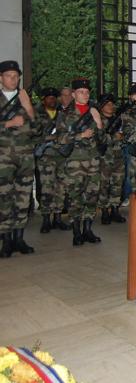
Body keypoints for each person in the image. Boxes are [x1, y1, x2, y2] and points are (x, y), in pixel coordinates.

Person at [55, 78, 104, 246]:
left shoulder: (94, 112)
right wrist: (80, 136)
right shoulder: (65, 114)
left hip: (93, 161)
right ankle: (76, 231)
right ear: (74, 94)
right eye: (81, 92)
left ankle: (88, 229)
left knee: (92, 196)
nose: (85, 94)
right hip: (75, 162)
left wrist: (98, 122)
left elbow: (103, 139)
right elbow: (59, 138)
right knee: (75, 198)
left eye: (87, 92)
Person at [0, 60, 40, 257]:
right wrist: (8, 123)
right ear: (1, 78)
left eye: (16, 76)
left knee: (23, 199)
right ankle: (5, 240)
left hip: (25, 159)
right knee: (4, 199)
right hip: (3, 160)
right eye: (9, 75)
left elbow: (37, 129)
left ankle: (19, 238)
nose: (13, 79)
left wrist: (28, 107)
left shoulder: (25, 98)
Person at [35, 87, 71, 233]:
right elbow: (34, 134)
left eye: (53, 97)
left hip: (61, 156)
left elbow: (68, 132)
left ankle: (57, 218)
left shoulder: (62, 113)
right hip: (46, 157)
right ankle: (45, 219)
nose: (51, 99)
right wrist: (50, 138)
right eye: (48, 97)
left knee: (61, 188)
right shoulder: (37, 114)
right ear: (44, 99)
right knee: (46, 189)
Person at [97, 94, 126, 225]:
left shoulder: (118, 120)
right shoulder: (98, 120)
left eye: (112, 104)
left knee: (117, 184)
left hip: (118, 157)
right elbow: (99, 139)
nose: (111, 106)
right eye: (108, 104)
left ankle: (115, 209)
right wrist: (115, 137)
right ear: (101, 106)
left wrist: (122, 137)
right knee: (104, 185)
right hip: (104, 158)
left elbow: (124, 135)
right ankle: (104, 211)